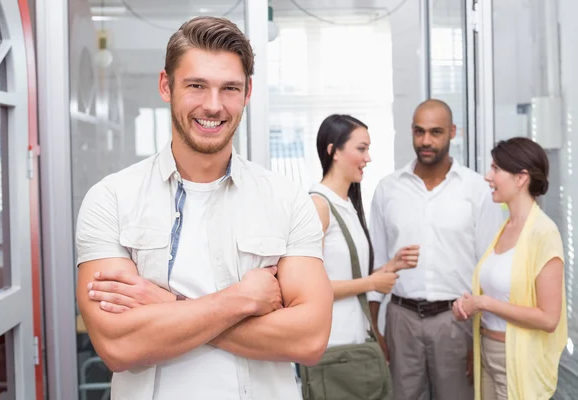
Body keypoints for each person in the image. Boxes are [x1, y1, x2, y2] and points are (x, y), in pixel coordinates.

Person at [75, 16, 333, 400]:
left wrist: (168, 304)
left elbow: (309, 338)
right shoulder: (110, 199)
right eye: (197, 85)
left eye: (229, 88)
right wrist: (240, 300)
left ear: (247, 93)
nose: (213, 106)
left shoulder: (287, 199)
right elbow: (118, 346)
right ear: (167, 85)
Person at [369, 99, 504, 400]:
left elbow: (488, 268)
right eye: (419, 132)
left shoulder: (477, 190)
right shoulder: (388, 189)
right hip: (401, 319)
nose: (426, 141)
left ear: (453, 132)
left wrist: (478, 338)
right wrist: (375, 329)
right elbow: (378, 261)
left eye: (436, 132)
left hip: (456, 320)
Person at [304, 114, 419, 399]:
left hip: (356, 346)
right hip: (334, 349)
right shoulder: (318, 206)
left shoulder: (347, 206)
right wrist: (372, 284)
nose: (368, 158)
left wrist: (390, 267)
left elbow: (344, 273)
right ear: (333, 151)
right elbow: (309, 290)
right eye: (361, 148)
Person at [452, 137, 567, 400]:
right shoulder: (505, 227)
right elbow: (500, 292)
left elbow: (549, 319)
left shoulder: (543, 233)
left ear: (521, 178)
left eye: (495, 169)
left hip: (517, 360)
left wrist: (484, 303)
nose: (487, 177)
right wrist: (468, 304)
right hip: (488, 354)